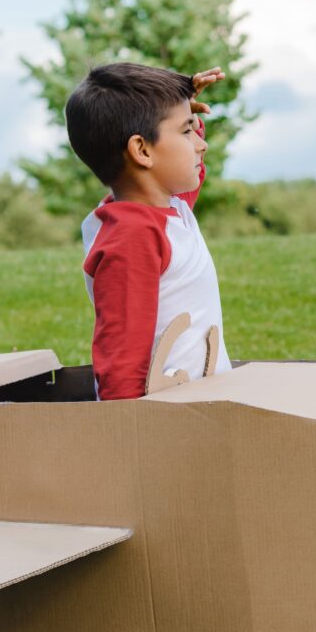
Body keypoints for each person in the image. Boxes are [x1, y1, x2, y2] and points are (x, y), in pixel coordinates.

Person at [66, 62, 231, 399]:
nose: (201, 144)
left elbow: (191, 175)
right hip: (161, 430)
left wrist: (185, 115)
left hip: (195, 414)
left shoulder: (166, 211)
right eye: (186, 132)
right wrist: (133, 440)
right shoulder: (132, 237)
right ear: (141, 150)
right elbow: (121, 362)